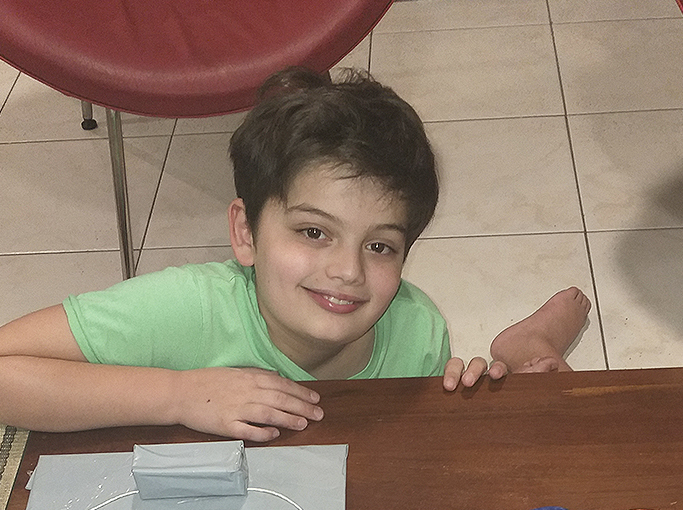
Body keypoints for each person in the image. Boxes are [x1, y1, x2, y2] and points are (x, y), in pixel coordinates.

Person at [0, 68, 589, 442]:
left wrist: (459, 404)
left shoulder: (417, 328)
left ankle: (525, 347)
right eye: (313, 232)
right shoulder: (189, 306)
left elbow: (407, 453)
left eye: (379, 245)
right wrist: (177, 394)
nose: (348, 271)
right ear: (245, 233)